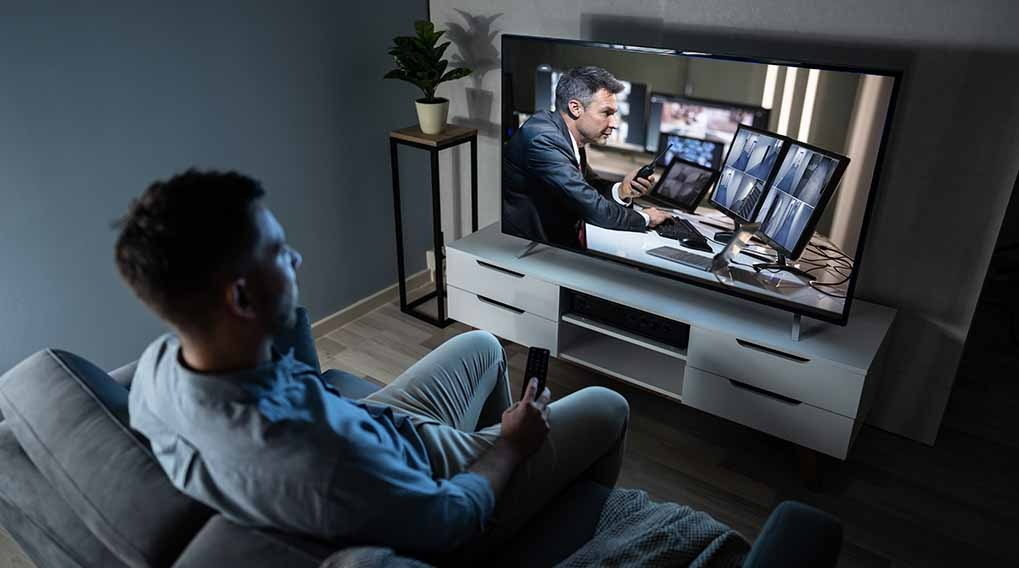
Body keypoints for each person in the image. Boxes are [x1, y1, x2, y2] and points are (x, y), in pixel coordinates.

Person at [117, 170, 629, 562]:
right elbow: (449, 520)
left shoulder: (159, 368)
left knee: (482, 346)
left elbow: (298, 398)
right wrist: (511, 447)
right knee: (608, 405)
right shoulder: (320, 459)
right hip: (427, 480)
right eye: (277, 252)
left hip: (374, 424)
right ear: (240, 297)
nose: (296, 260)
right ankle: (565, 524)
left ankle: (502, 460)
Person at [503, 66, 672, 249]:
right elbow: (592, 207)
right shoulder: (543, 139)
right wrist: (646, 218)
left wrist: (622, 190)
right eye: (606, 113)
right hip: (528, 248)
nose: (614, 124)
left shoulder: (567, 135)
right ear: (575, 108)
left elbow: (587, 186)